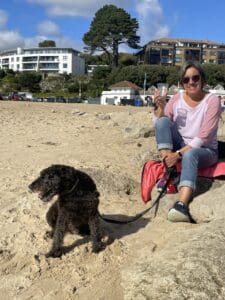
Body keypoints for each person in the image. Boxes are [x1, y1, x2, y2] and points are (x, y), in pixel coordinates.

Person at [153, 61, 222, 222]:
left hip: (205, 150)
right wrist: (160, 109)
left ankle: (182, 204)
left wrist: (178, 154)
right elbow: (161, 125)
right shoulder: (177, 98)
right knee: (162, 121)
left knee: (190, 154)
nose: (191, 82)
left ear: (202, 80)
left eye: (195, 78)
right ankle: (168, 168)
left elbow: (203, 137)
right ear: (182, 83)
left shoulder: (212, 101)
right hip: (180, 145)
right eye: (186, 79)